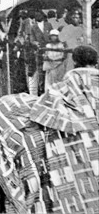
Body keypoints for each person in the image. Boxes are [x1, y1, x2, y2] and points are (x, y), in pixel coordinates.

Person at [30, 45, 99, 214]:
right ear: (96, 62)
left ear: (74, 62)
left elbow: (39, 113)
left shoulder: (60, 89)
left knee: (81, 187)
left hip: (78, 149)